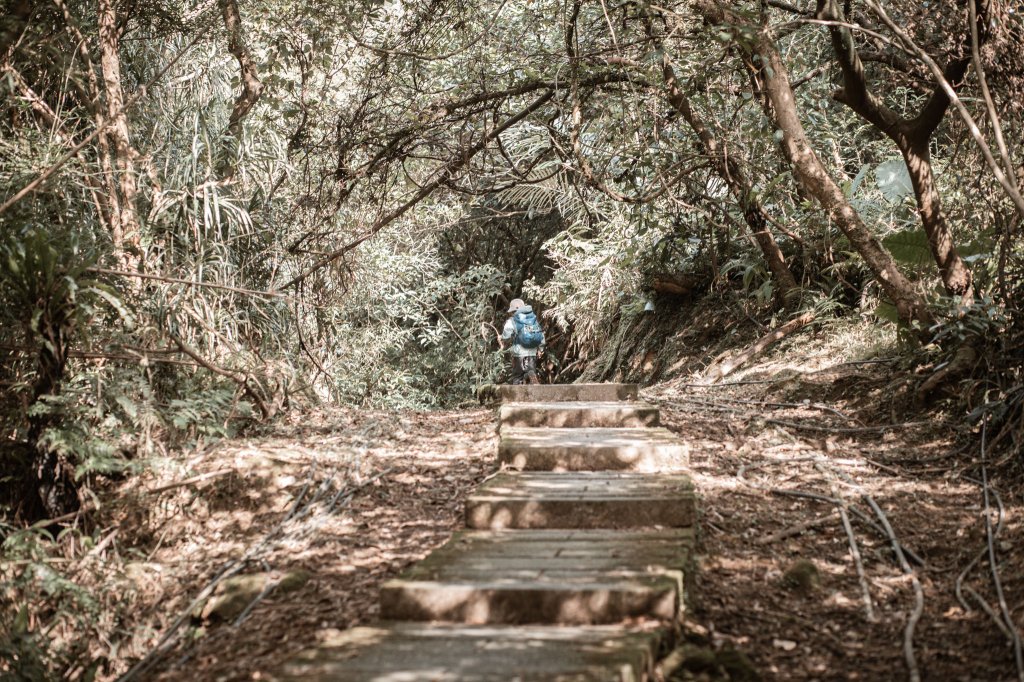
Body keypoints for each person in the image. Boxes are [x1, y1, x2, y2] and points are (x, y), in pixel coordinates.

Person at [500, 298, 545, 385]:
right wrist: (541, 349)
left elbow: (506, 336)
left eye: (513, 311)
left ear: (516, 309)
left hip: (519, 353)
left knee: (517, 376)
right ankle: (530, 374)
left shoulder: (513, 320)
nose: (512, 313)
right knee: (530, 371)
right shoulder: (533, 319)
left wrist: (502, 338)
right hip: (532, 352)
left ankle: (516, 396)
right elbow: (541, 335)